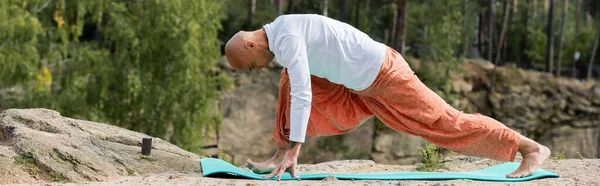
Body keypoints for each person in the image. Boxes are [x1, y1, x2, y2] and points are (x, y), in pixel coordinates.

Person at [224, 14, 550, 181]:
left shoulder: (287, 37)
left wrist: (298, 149)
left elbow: (305, 92)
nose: (254, 71)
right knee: (287, 80)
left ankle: (530, 148)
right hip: (356, 87)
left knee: (443, 123)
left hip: (386, 76)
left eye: (249, 67)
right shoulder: (280, 35)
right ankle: (278, 155)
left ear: (251, 46)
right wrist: (287, 148)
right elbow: (299, 85)